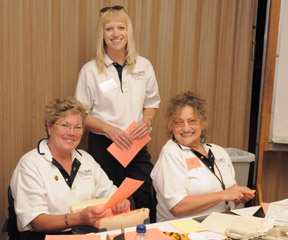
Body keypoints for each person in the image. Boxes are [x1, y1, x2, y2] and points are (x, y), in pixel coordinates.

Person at [74, 6, 160, 223]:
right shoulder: (90, 70)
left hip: (136, 144)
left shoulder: (144, 66)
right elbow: (81, 115)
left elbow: (152, 103)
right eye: (109, 28)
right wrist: (108, 129)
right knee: (110, 205)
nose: (116, 34)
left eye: (121, 27)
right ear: (102, 34)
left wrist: (148, 119)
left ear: (128, 31)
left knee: (146, 199)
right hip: (104, 148)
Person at [10, 97, 130, 240]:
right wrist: (78, 218)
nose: (71, 133)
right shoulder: (30, 164)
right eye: (65, 126)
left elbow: (112, 194)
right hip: (43, 236)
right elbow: (36, 221)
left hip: (86, 234)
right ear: (49, 127)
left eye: (77, 127)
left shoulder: (86, 159)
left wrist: (121, 202)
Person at [151, 91, 255, 222]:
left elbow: (227, 200)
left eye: (192, 121)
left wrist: (239, 197)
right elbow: (177, 207)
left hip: (222, 225)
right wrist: (223, 195)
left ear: (202, 123)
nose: (186, 128)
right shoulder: (171, 153)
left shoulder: (219, 152)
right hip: (184, 231)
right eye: (179, 123)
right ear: (172, 126)